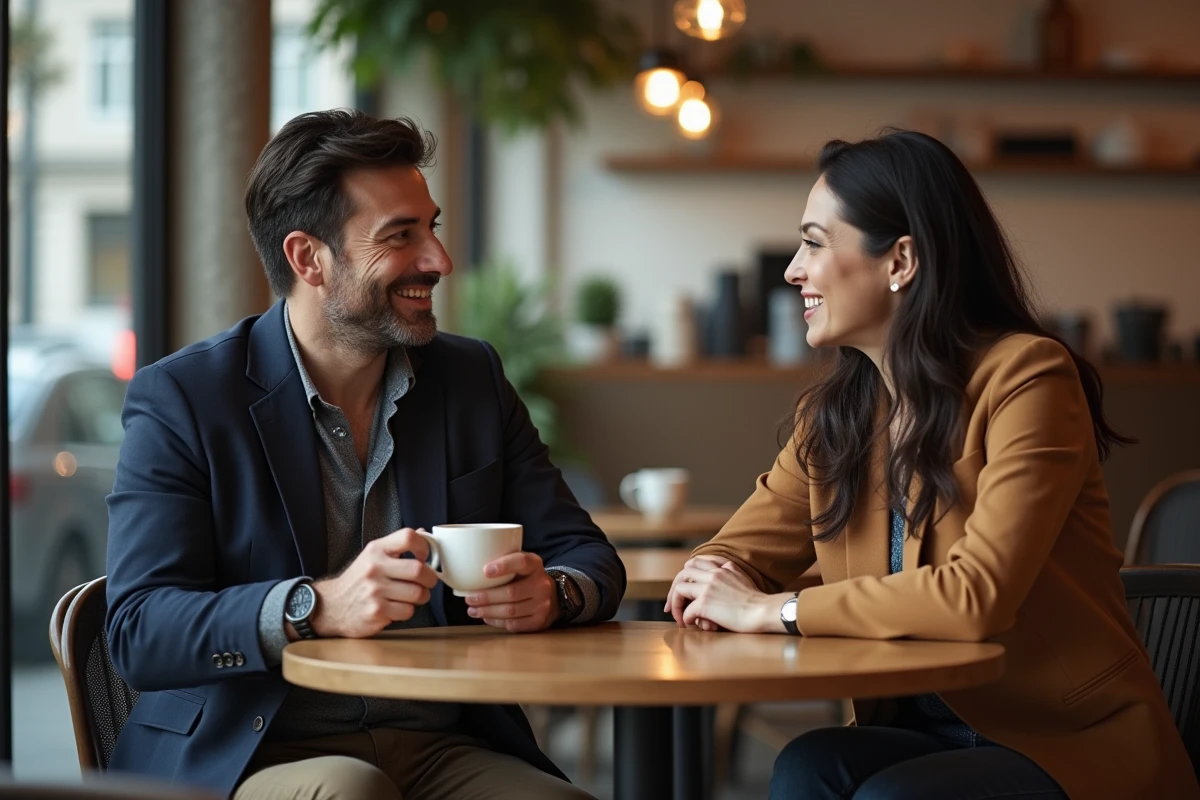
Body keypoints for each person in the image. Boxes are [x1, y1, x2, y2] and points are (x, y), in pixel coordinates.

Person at [105, 110, 625, 800]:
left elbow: (589, 558)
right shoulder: (186, 398)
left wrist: (552, 594)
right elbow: (140, 628)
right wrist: (313, 606)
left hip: (441, 743)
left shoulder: (470, 379)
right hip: (252, 751)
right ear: (308, 258)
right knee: (351, 791)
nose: (438, 260)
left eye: (430, 227)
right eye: (400, 237)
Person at [665, 130, 1198, 800]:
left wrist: (776, 610)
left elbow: (976, 594)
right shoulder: (837, 417)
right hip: (916, 726)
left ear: (901, 260)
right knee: (807, 766)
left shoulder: (1028, 378)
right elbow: (731, 554)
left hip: (1062, 740)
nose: (792, 270)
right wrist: (727, 582)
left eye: (815, 242)